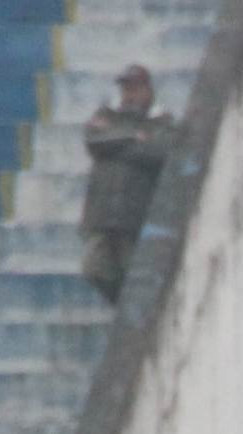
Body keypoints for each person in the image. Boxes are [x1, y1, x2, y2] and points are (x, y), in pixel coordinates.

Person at [80, 66, 177, 301]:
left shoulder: (162, 121)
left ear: (148, 90)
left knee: (133, 275)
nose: (129, 95)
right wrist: (133, 137)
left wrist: (115, 144)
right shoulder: (106, 113)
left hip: (135, 217)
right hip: (102, 216)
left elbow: (158, 152)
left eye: (134, 89)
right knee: (94, 269)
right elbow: (94, 141)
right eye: (125, 89)